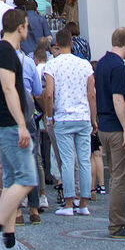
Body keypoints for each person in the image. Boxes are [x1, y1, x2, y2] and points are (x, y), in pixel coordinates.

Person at [0, 8, 40, 250]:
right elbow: (9, 89)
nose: (28, 30)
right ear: (20, 28)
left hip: (3, 122)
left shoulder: (4, 51)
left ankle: (8, 240)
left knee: (10, 181)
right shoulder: (6, 51)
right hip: (7, 123)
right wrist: (21, 123)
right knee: (27, 178)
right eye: (27, 26)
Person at [41, 27, 95, 218]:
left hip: (63, 116)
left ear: (56, 44)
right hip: (83, 116)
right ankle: (85, 202)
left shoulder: (52, 65)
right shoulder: (85, 65)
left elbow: (48, 94)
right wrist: (93, 119)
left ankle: (69, 202)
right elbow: (91, 94)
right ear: (72, 43)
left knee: (67, 161)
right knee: (84, 161)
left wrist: (49, 116)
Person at [94, 26, 125, 240]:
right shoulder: (118, 66)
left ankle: (118, 222)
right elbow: (118, 98)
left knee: (115, 176)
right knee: (120, 179)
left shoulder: (102, 63)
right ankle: (117, 225)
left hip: (103, 126)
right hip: (116, 127)